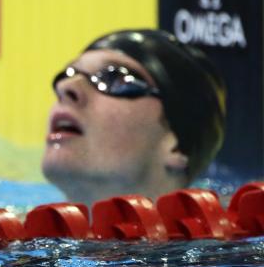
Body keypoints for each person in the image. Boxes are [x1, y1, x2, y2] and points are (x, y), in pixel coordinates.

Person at [41, 29, 226, 205]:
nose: (66, 87)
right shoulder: (17, 232)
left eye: (114, 78)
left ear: (178, 144)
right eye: (68, 74)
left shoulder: (236, 236)